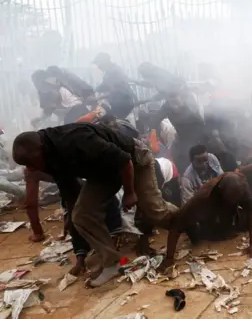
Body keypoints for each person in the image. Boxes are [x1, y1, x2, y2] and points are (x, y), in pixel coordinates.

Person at [12, 123, 177, 287]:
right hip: (102, 172)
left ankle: (183, 219)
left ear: (40, 148)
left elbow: (124, 161)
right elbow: (68, 189)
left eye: (31, 162)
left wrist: (129, 192)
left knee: (153, 209)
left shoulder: (76, 139)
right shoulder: (48, 156)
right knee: (81, 215)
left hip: (133, 159)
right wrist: (70, 218)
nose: (30, 168)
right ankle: (111, 262)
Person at [160, 167, 252, 270]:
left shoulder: (241, 185)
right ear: (221, 190)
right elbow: (175, 226)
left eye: (236, 198)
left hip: (231, 217)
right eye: (230, 198)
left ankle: (228, 226)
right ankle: (204, 229)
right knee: (198, 236)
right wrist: (169, 258)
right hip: (211, 220)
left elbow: (251, 211)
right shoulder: (203, 198)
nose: (233, 200)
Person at [93, 53, 136, 119]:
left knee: (113, 121)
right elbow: (104, 85)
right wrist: (93, 90)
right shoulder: (110, 71)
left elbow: (116, 90)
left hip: (122, 103)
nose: (98, 66)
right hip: (118, 102)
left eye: (99, 63)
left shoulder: (114, 71)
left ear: (105, 61)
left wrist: (98, 98)